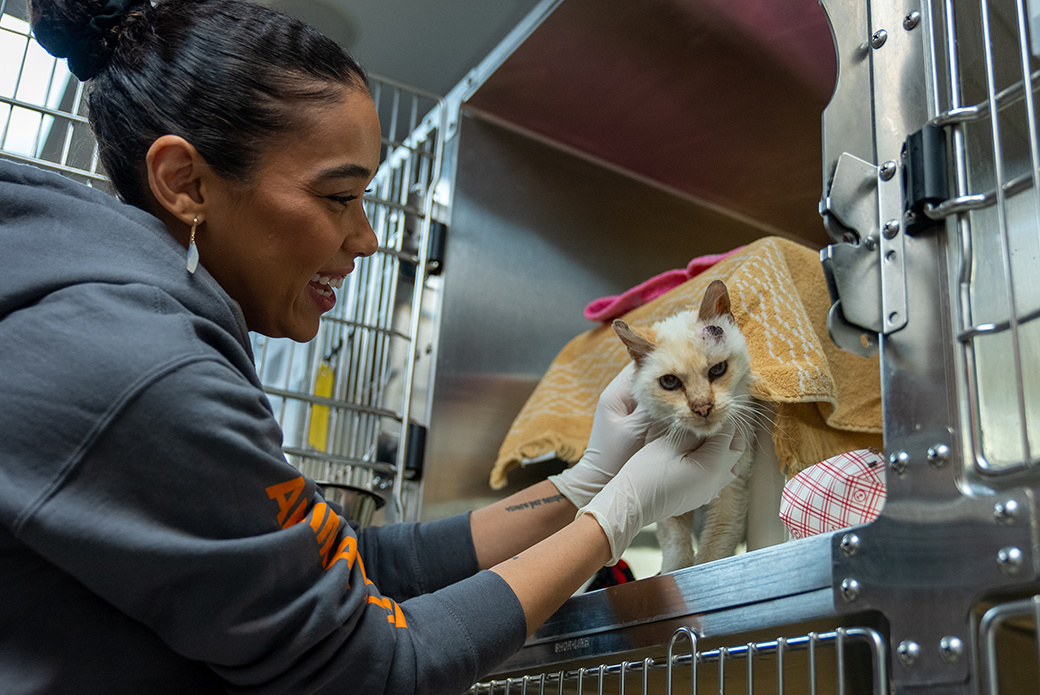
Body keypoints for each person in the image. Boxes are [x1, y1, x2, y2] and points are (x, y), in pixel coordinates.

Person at [0, 0, 747, 693]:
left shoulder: (104, 318)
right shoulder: (142, 368)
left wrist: (585, 480)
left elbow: (361, 559)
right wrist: (617, 514)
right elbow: (374, 666)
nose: (367, 237)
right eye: (337, 197)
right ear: (184, 182)